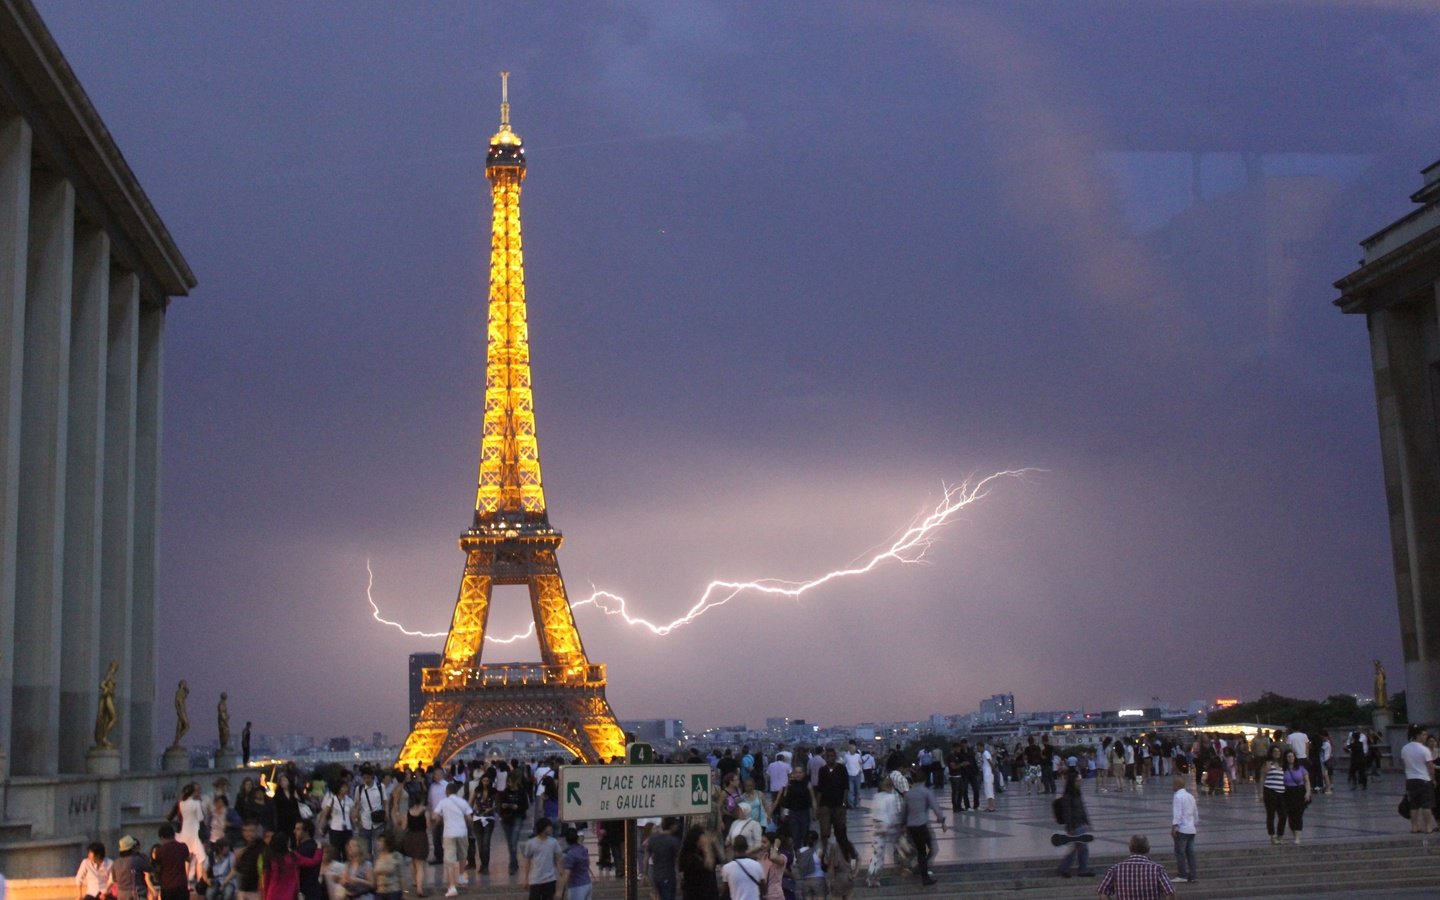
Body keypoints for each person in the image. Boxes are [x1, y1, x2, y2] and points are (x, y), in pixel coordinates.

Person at [901, 767, 944, 886]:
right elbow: (935, 807)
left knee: (920, 851)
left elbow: (904, 811)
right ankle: (923, 873)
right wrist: (941, 820)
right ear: (925, 779)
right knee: (931, 849)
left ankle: (920, 869)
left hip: (911, 826)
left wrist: (902, 824)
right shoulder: (926, 792)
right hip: (921, 825)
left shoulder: (909, 794)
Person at [1096, 834, 1175, 899]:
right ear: (1148, 849)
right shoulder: (1157, 869)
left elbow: (1103, 892)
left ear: (1130, 848)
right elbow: (1170, 893)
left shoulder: (1115, 869)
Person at [434, 781, 474, 897]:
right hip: (462, 831)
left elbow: (436, 817)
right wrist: (471, 830)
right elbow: (469, 819)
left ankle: (452, 886)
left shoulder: (443, 802)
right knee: (462, 855)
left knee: (449, 860)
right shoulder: (463, 802)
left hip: (449, 833)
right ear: (456, 791)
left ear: (447, 791)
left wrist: (436, 824)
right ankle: (461, 876)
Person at [1053, 770, 1093, 879]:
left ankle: (1064, 869)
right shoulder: (1068, 796)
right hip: (1075, 826)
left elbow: (1082, 808)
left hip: (1080, 824)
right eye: (1077, 780)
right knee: (1082, 848)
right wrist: (1069, 827)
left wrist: (1087, 821)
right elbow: (1067, 813)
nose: (1079, 782)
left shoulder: (1077, 793)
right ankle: (1080, 870)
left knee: (1075, 848)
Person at [1401, 724, 1437, 834]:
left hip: (1411, 780)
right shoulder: (1424, 749)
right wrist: (1433, 779)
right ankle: (1428, 827)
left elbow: (1404, 765)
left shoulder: (1405, 748)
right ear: (1417, 735)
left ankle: (1414, 827)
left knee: (1414, 805)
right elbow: (1430, 766)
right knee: (1427, 804)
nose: (1425, 736)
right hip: (1424, 779)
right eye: (1423, 734)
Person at [520, 817, 565, 900]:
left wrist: (561, 872)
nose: (551, 828)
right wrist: (526, 878)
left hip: (550, 879)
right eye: (549, 826)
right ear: (543, 827)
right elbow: (527, 861)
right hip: (535, 880)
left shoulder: (553, 842)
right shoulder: (531, 843)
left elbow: (558, 858)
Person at [774, 766, 815, 851]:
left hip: (804, 811)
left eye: (800, 772)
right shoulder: (790, 784)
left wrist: (815, 810)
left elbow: (812, 798)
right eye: (796, 772)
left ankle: (805, 852)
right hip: (793, 812)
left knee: (805, 833)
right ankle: (796, 853)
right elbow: (785, 799)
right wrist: (783, 812)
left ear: (804, 774)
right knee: (795, 835)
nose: (798, 774)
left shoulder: (807, 784)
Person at [678, 825, 719, 900]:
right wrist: (706, 848)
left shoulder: (701, 855)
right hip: (696, 893)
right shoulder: (689, 858)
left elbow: (715, 862)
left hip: (708, 892)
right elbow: (708, 866)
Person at [151, 824, 192, 900]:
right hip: (181, 886)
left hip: (167, 887)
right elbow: (188, 859)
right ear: (173, 835)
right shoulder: (182, 847)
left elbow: (158, 868)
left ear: (162, 837)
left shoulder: (160, 851)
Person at [1281, 749, 1312, 843]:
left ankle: (1297, 836)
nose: (1290, 758)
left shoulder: (1301, 768)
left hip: (1299, 792)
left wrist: (1308, 792)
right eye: (1288, 756)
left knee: (1298, 814)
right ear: (1286, 758)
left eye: (1292, 756)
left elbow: (1307, 781)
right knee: (1290, 815)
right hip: (1287, 792)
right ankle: (1294, 833)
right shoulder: (1283, 769)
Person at [1170, 775, 1197, 883]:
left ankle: (1182, 874)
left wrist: (1174, 827)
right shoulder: (1190, 796)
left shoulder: (1177, 797)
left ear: (1177, 785)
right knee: (1190, 853)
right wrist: (1194, 824)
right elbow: (1195, 812)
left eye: (1173, 784)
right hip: (1191, 828)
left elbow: (1177, 813)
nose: (1172, 786)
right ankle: (1193, 875)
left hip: (1182, 829)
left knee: (1180, 852)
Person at [646, 818, 681, 900]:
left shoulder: (653, 840)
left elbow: (646, 857)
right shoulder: (674, 841)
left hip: (656, 875)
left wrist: (645, 873)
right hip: (668, 875)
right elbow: (677, 860)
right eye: (675, 825)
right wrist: (679, 874)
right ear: (671, 826)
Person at [319, 781, 357, 858]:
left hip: (347, 829)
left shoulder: (349, 800)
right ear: (338, 789)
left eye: (346, 787)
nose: (346, 789)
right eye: (343, 787)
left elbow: (352, 815)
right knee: (336, 852)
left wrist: (354, 824)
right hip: (335, 829)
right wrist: (320, 826)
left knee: (347, 852)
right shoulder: (332, 800)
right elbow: (325, 814)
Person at [556, 826, 592, 900]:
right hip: (587, 883)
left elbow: (566, 874)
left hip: (576, 886)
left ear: (566, 839)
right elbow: (588, 863)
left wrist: (559, 891)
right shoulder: (583, 849)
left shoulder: (570, 854)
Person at [111, 836, 149, 900]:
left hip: (121, 894)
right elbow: (149, 868)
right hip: (136, 894)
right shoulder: (137, 860)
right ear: (132, 848)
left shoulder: (116, 862)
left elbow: (114, 879)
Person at [370, 834, 404, 900]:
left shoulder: (396, 855)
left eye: (380, 841)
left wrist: (404, 892)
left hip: (393, 891)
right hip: (380, 891)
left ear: (387, 842)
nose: (378, 843)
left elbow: (401, 875)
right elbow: (375, 877)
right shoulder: (378, 857)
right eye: (378, 841)